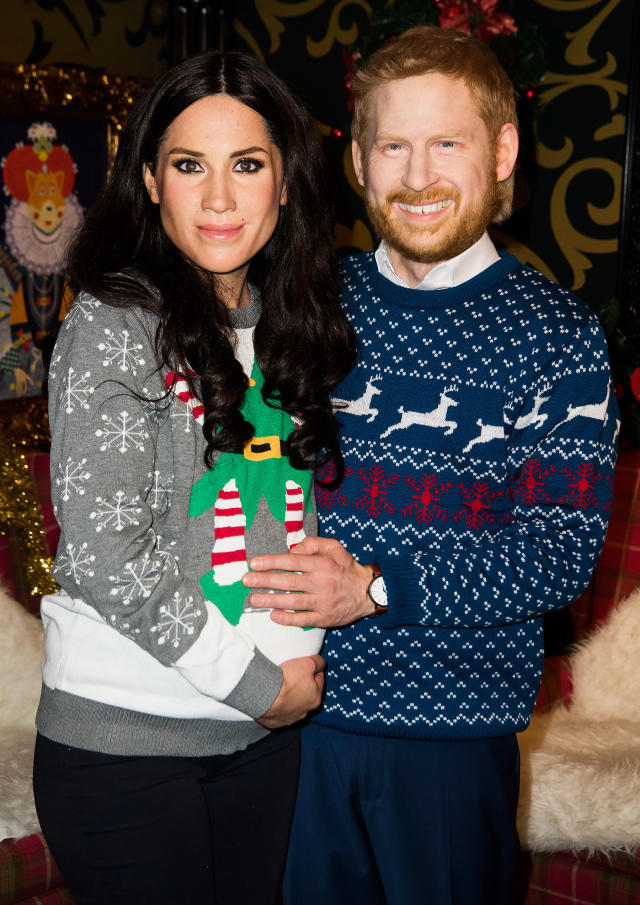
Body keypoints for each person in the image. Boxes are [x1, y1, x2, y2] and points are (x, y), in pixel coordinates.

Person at [242, 25, 619, 905]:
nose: (417, 178)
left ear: (501, 150)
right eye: (393, 146)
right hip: (289, 722)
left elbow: (558, 555)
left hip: (451, 749)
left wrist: (374, 585)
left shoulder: (561, 338)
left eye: (445, 143)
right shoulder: (303, 303)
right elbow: (243, 472)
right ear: (361, 164)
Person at [32, 50, 356, 905]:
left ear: (285, 185)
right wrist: (263, 688)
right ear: (149, 180)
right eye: (189, 165)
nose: (219, 197)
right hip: (129, 754)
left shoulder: (287, 328)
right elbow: (108, 555)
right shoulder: (115, 322)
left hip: (258, 746)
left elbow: (286, 523)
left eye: (247, 165)